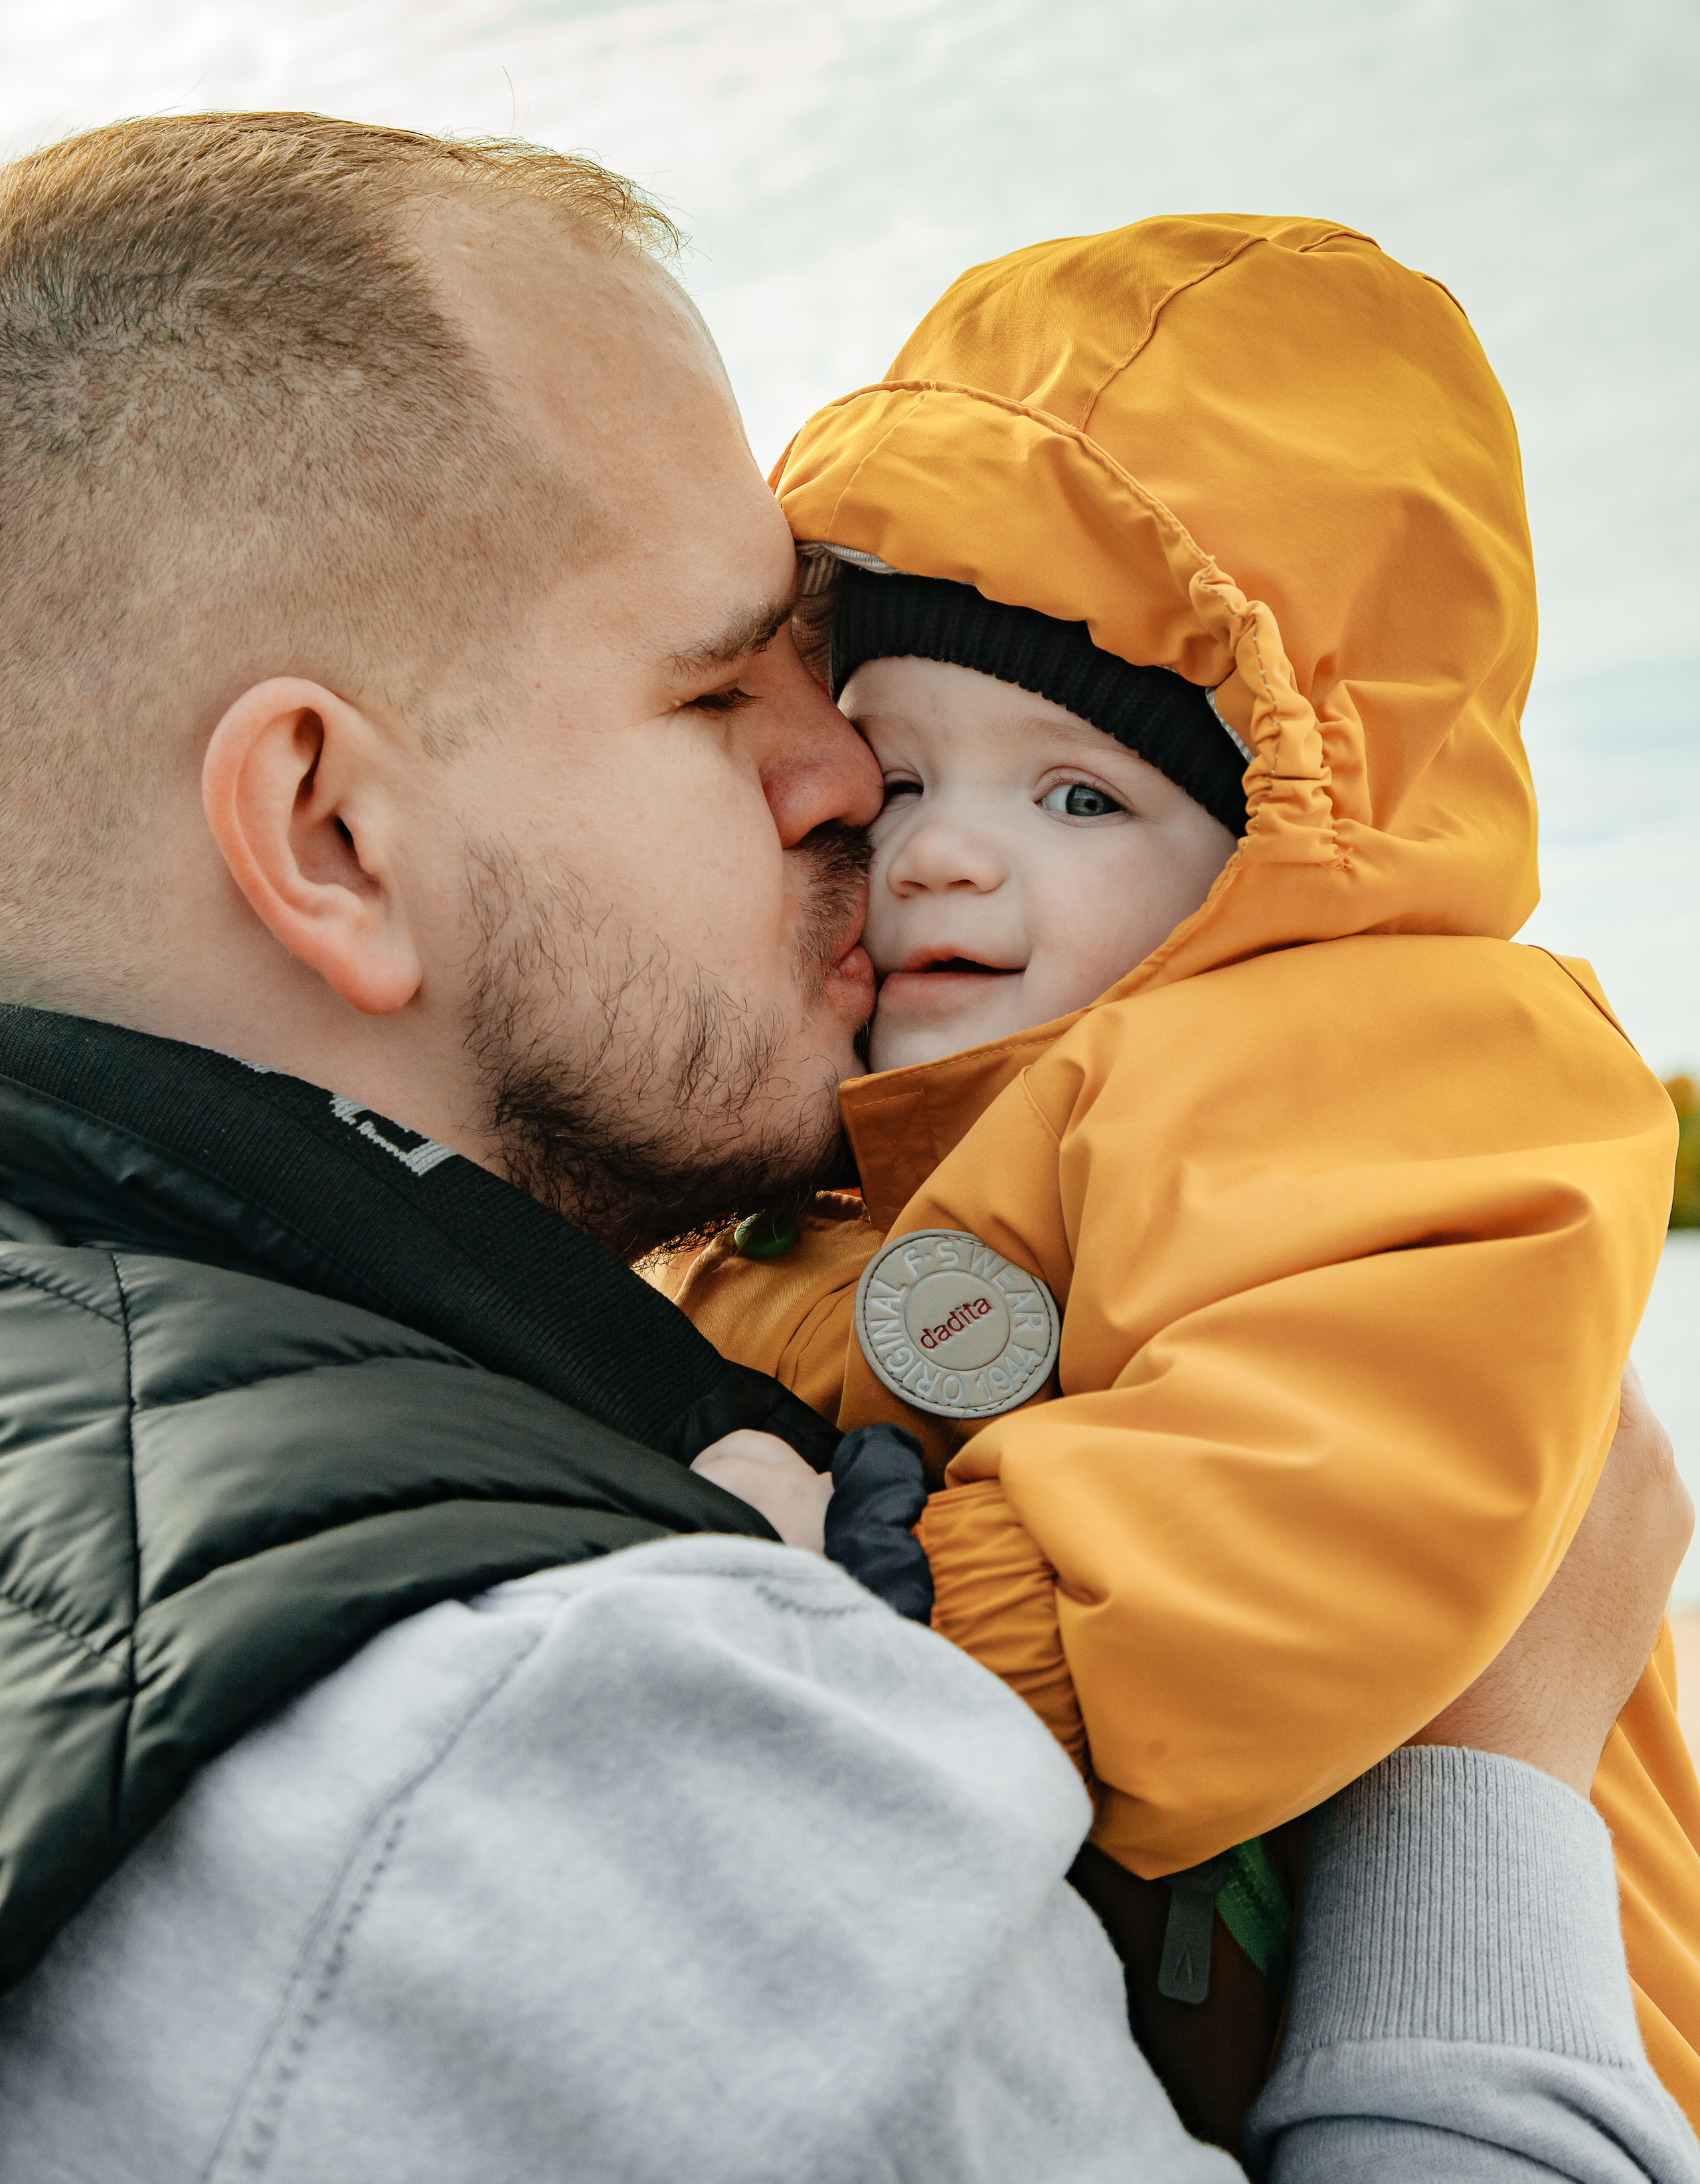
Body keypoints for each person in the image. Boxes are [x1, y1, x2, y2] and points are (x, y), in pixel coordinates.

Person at [0, 116, 1689, 2183]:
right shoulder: (578, 1732)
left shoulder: (146, 1395)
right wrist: (1489, 1774)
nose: (846, 791)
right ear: (336, 833)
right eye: (725, 690)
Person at [651, 215, 1700, 2134]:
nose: (949, 857)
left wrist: (905, 1614)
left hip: (1527, 2008)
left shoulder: (1381, 1055)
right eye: (900, 774)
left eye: (1078, 798)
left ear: (1273, 850)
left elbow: (1334, 1461)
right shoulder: (853, 1144)